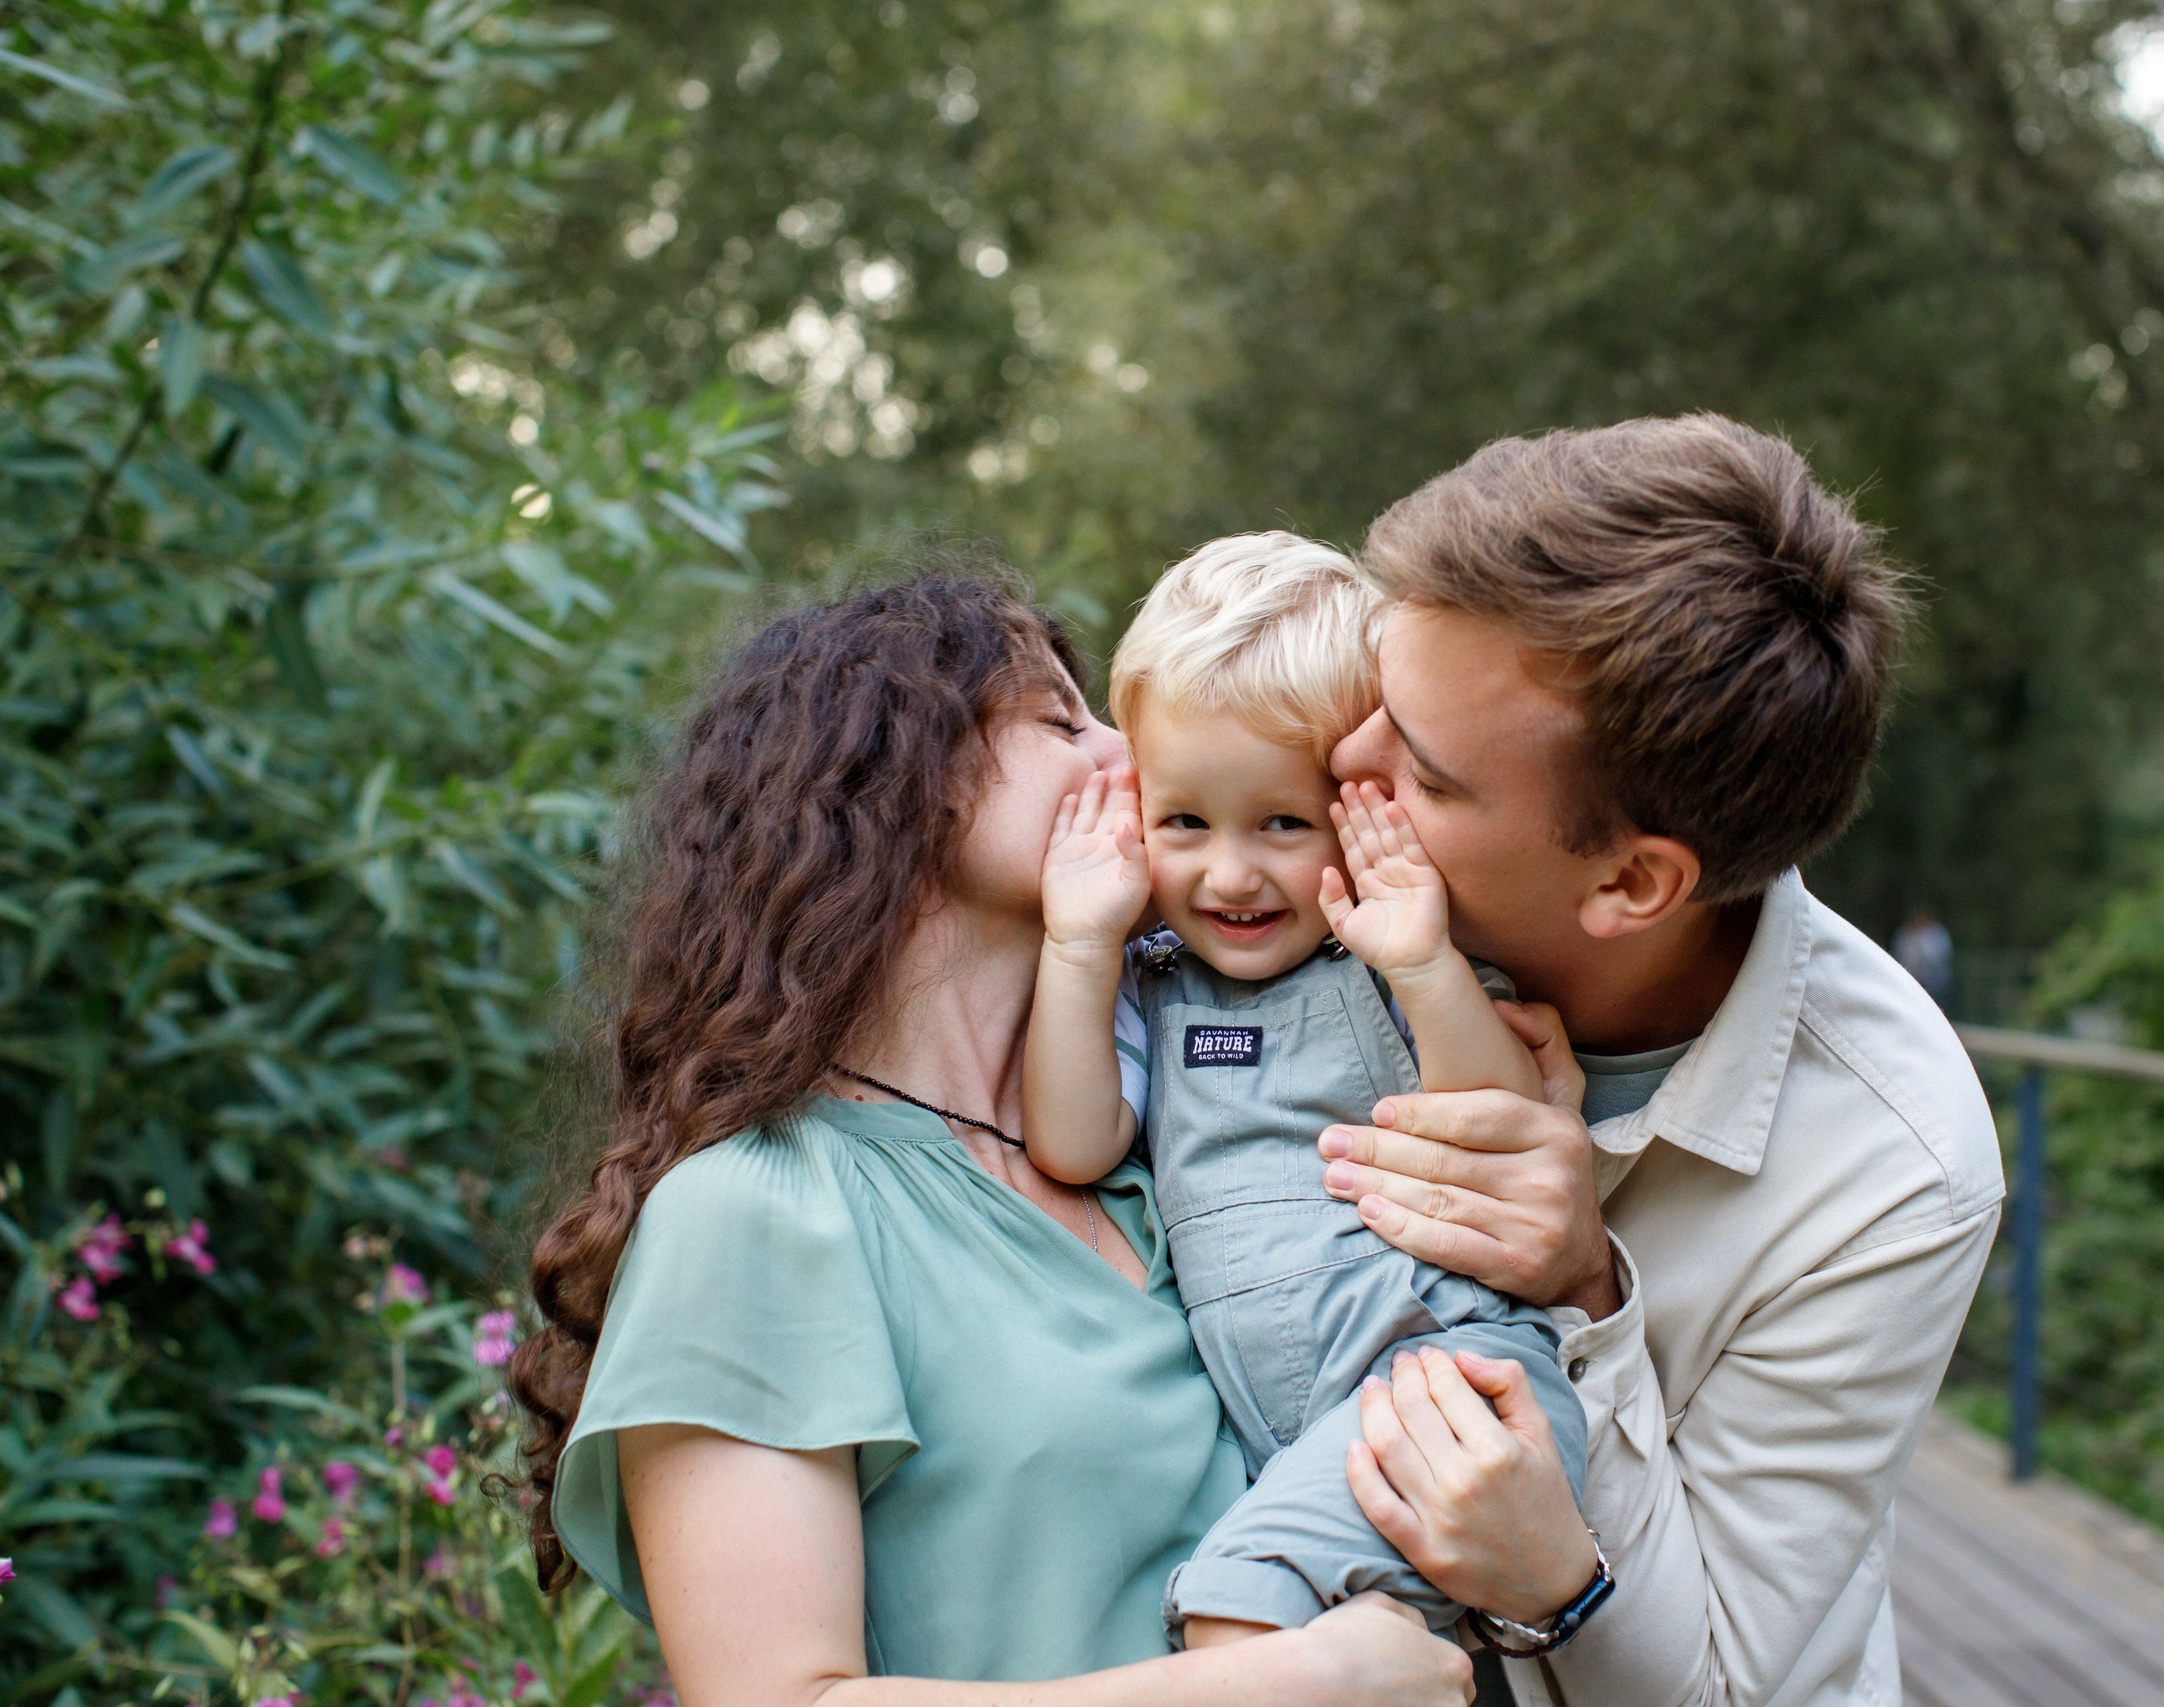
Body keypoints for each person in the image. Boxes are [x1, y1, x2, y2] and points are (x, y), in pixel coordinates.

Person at [505, 572, 1595, 1706]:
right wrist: (1291, 1682)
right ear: (894, 784)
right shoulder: (759, 1208)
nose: (1128, 750)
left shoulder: (1154, 1148)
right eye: (1061, 719)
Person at [1316, 415, 2006, 1706]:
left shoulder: (1893, 1162)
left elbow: (1730, 1684)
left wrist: (1583, 1289)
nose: (1345, 762)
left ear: (1633, 880)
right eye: (1378, 700)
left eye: (1423, 767)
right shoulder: (1317, 898)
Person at [1021, 535, 1592, 1651]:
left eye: (1281, 822)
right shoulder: (1153, 989)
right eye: (1184, 822)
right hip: (1277, 1434)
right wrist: (1079, 947)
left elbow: (1504, 1130)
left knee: (1238, 1609)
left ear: (1360, 807)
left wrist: (1421, 964)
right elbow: (1077, 1142)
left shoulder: (1385, 958)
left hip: (1443, 1385)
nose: (1230, 874)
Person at [1892, 910, 1955, 1010]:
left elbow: (1938, 958)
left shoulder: (1937, 933)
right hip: (1913, 980)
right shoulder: (1905, 933)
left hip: (1934, 982)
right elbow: (1902, 956)